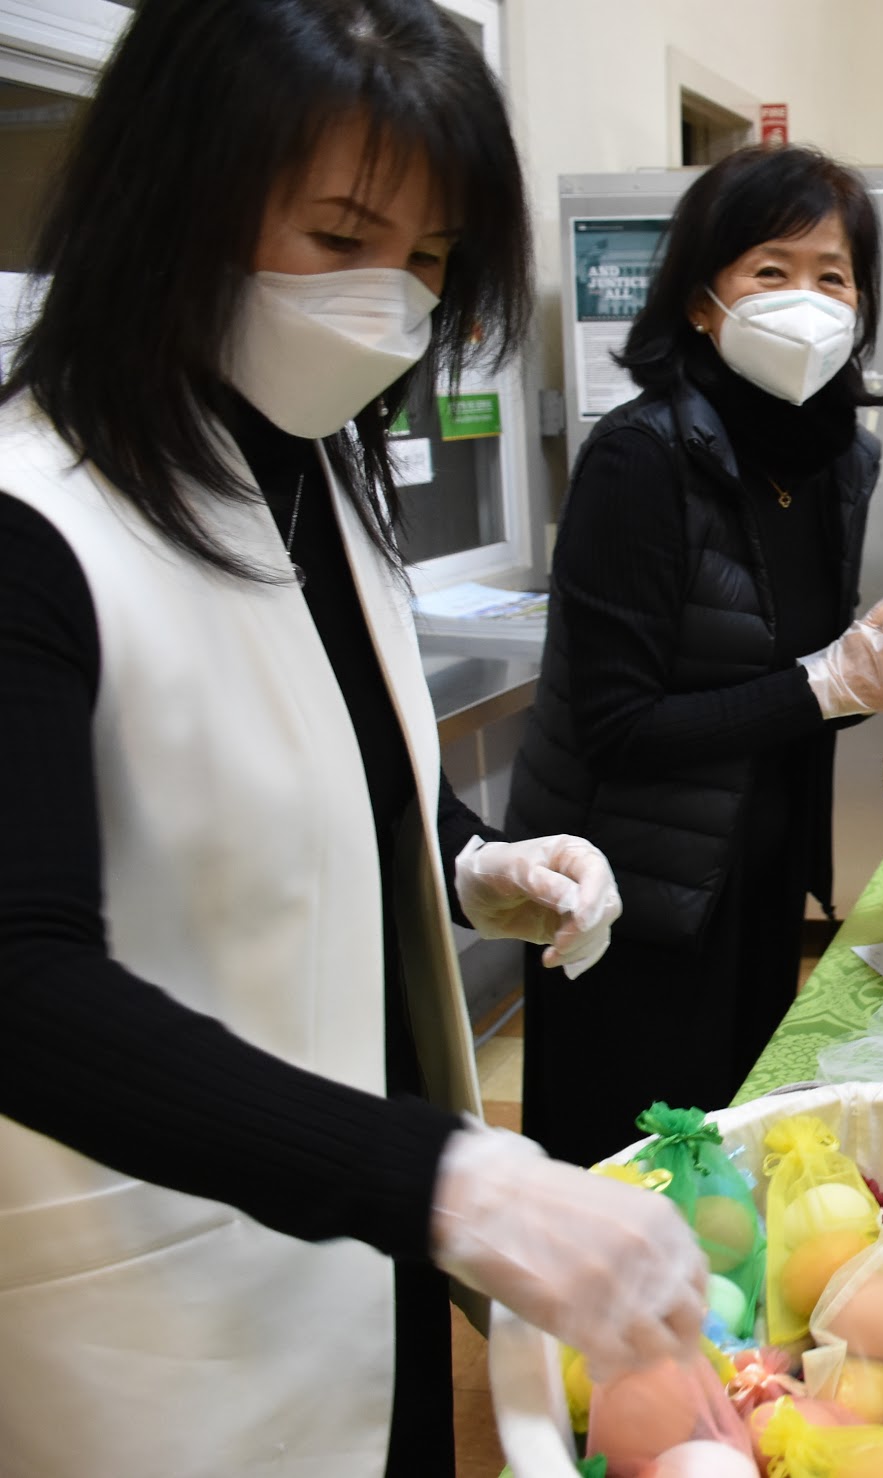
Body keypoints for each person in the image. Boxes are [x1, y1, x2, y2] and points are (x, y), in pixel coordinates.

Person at [0, 2, 709, 1473]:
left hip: (366, 1243)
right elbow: (20, 973)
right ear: (173, 197)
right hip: (163, 1285)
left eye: (433, 263)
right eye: (337, 236)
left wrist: (469, 861)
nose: (390, 304)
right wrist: (462, 1182)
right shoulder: (34, 523)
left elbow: (323, 753)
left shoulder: (309, 470)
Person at [509, 145, 883, 1167]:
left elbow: (787, 670)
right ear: (702, 299)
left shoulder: (836, 458)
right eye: (770, 271)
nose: (807, 299)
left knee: (732, 1142)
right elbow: (618, 724)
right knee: (632, 1164)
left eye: (832, 275)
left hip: (762, 865)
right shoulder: (638, 458)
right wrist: (826, 682)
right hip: (631, 890)